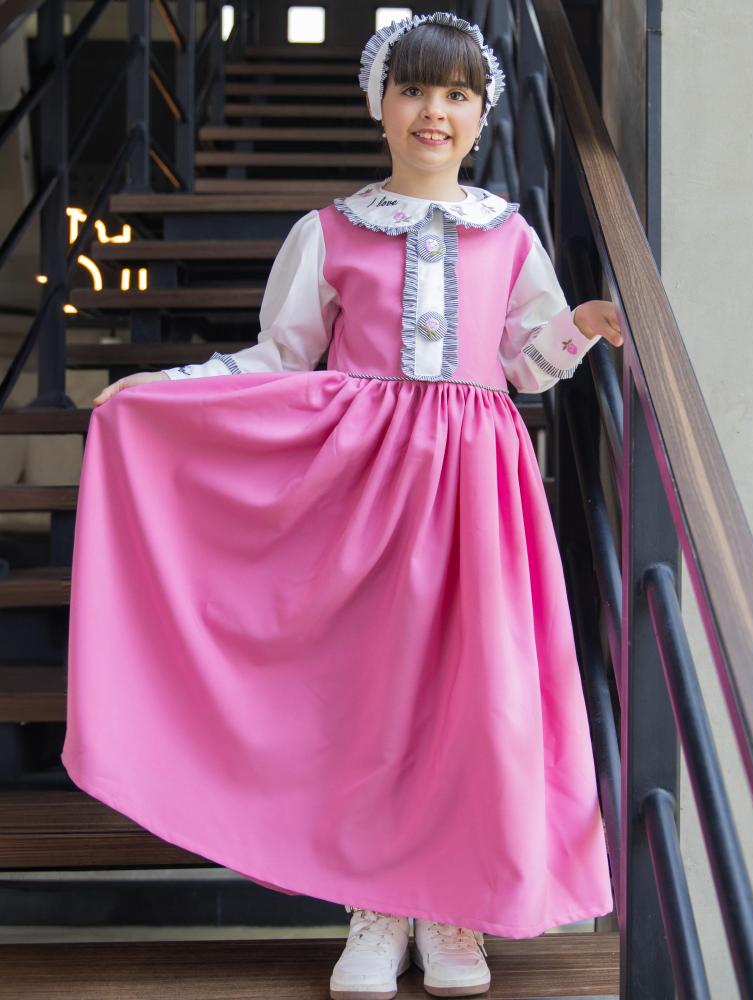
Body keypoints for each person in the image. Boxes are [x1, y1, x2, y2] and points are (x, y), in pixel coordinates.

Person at [63, 11, 622, 1000]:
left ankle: (455, 910)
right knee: (372, 691)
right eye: (414, 90)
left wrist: (575, 327)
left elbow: (524, 366)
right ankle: (374, 907)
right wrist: (171, 389)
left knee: (475, 694)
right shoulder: (327, 231)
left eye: (456, 94)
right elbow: (276, 358)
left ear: (482, 113)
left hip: (478, 494)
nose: (433, 111)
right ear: (380, 104)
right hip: (363, 494)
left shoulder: (508, 234)